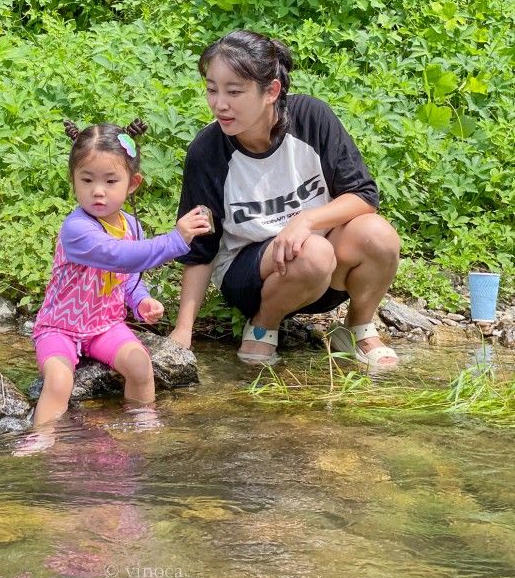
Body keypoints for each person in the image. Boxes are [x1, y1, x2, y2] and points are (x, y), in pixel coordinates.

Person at [169, 30, 400, 368]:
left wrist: (305, 220)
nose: (220, 104)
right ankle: (263, 326)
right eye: (212, 89)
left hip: (326, 269)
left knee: (377, 234)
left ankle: (357, 329)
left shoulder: (311, 119)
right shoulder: (207, 152)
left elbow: (363, 195)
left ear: (271, 91)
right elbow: (201, 249)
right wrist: (182, 331)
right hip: (253, 277)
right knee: (314, 252)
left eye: (234, 92)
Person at [31, 119, 212, 430]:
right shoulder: (77, 229)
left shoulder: (131, 226)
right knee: (60, 380)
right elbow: (119, 258)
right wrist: (176, 240)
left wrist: (140, 300)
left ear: (133, 184)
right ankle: (44, 437)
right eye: (86, 180)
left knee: (141, 366)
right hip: (59, 328)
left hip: (104, 326)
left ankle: (140, 422)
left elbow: (127, 278)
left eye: (110, 181)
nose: (97, 192)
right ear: (73, 180)